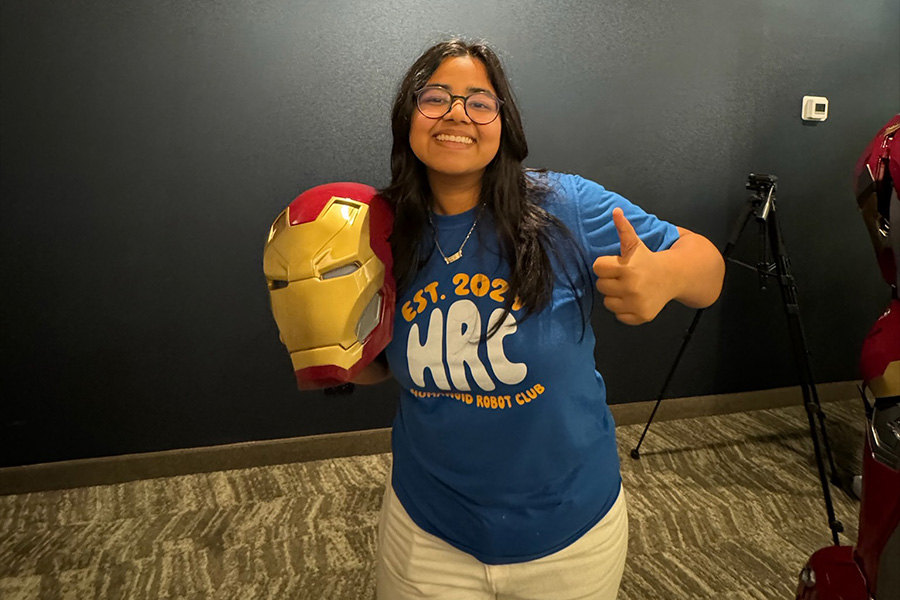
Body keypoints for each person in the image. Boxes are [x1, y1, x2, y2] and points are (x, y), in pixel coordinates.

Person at [354, 39, 725, 600]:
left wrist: (666, 277)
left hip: (570, 536)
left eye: (480, 101)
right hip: (429, 533)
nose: (457, 113)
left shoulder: (565, 207)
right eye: (436, 98)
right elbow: (381, 367)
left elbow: (710, 269)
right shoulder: (378, 231)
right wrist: (327, 349)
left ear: (505, 124)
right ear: (408, 115)